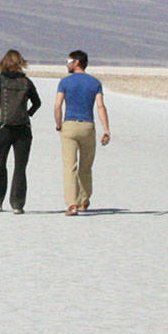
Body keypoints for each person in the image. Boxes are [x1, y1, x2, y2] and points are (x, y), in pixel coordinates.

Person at [53, 49, 110, 215]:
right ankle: (84, 201)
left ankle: (72, 204)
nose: (67, 64)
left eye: (69, 60)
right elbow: (100, 106)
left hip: (69, 126)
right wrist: (106, 129)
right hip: (87, 127)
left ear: (77, 62)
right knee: (86, 166)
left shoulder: (65, 82)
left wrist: (59, 125)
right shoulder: (94, 83)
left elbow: (58, 106)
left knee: (69, 166)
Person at [0, 49, 41, 214]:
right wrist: (27, 114)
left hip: (3, 128)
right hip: (23, 129)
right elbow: (37, 103)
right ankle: (18, 204)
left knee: (0, 164)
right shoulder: (26, 82)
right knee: (20, 167)